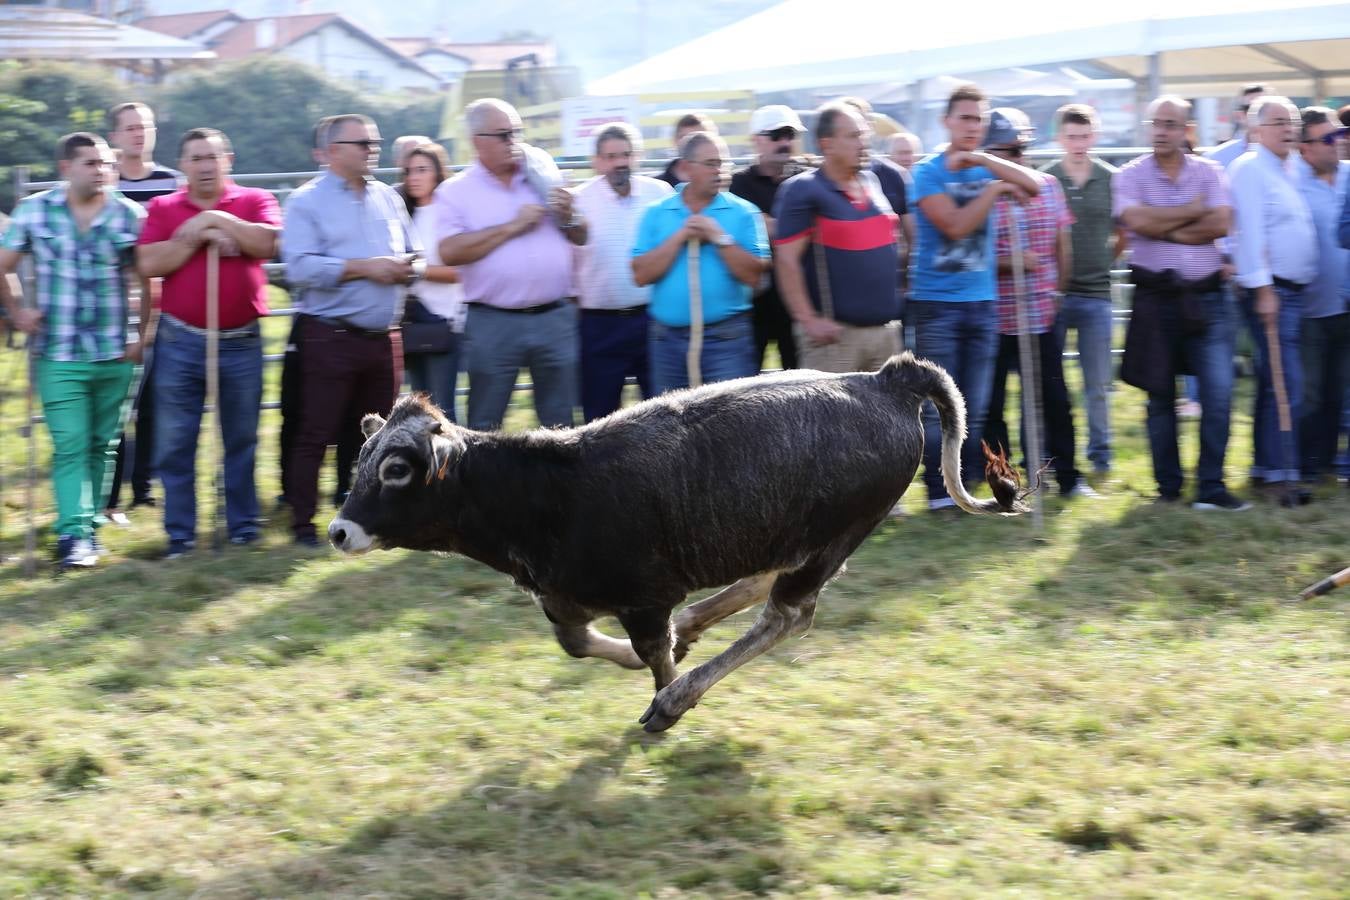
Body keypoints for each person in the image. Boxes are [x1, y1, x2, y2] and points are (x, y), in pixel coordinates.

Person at [0, 133, 145, 569]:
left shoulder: (129, 215)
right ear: (66, 168)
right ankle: (73, 535)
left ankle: (89, 527)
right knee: (70, 445)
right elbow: (3, 265)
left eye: (104, 163)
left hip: (114, 351)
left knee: (103, 445)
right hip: (59, 353)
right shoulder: (35, 211)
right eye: (90, 163)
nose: (101, 170)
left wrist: (143, 333)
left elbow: (147, 277)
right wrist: (17, 312)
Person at [136, 127, 280, 557]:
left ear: (228, 160)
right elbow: (147, 262)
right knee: (176, 441)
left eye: (212, 157)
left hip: (241, 342)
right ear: (183, 164)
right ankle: (180, 535)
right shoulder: (163, 207)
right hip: (180, 340)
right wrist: (196, 236)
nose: (204, 165)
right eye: (196, 158)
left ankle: (242, 526)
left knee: (240, 439)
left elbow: (268, 242)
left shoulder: (254, 200)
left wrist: (214, 218)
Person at [282, 113, 419, 547]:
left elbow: (414, 252)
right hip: (330, 335)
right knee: (315, 432)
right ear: (333, 150)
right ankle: (302, 523)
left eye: (375, 142)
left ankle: (359, 518)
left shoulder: (387, 197)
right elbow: (300, 268)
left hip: (382, 338)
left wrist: (409, 269)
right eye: (362, 143)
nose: (372, 149)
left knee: (372, 437)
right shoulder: (306, 201)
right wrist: (366, 270)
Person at [909, 84, 1042, 512]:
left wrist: (986, 160)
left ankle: (965, 490)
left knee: (976, 409)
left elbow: (1035, 186)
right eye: (965, 118)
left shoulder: (986, 167)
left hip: (982, 304)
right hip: (938, 305)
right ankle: (938, 495)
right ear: (946, 121)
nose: (972, 126)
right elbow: (954, 226)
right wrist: (995, 189)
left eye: (979, 119)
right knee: (940, 410)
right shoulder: (928, 172)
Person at [1114, 96, 1247, 510]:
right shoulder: (1130, 175)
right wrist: (1190, 211)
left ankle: (1211, 486)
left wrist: (1161, 228)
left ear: (1186, 130)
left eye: (1171, 124)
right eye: (1156, 123)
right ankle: (1168, 489)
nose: (1161, 131)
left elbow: (1221, 222)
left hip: (1208, 297)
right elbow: (1135, 222)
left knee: (1219, 394)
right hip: (1156, 298)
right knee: (1159, 397)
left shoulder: (1210, 171)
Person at [436, 98, 586, 431]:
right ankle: (486, 484)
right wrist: (511, 227)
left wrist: (571, 215)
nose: (513, 142)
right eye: (503, 134)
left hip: (554, 317)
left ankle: (557, 484)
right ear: (477, 141)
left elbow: (581, 235)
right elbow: (450, 252)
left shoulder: (542, 173)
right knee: (485, 425)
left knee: (561, 424)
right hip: (493, 322)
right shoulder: (456, 192)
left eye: (517, 132)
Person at [981, 108, 1095, 498]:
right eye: (1005, 150)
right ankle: (1003, 482)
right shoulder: (979, 191)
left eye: (1019, 149)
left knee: (1054, 400)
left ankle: (1067, 477)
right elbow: (971, 255)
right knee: (992, 406)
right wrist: (1009, 265)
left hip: (1041, 315)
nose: (1014, 158)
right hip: (994, 319)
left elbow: (1062, 245)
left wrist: (1058, 293)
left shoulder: (1048, 185)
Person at [632, 131, 769, 394]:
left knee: (731, 425)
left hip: (727, 340)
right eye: (710, 163)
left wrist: (719, 237)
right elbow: (640, 276)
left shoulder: (744, 212)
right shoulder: (656, 213)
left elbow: (754, 276)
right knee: (669, 428)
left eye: (722, 163)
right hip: (667, 342)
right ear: (685, 168)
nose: (719, 170)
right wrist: (680, 237)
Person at [1230, 96, 1318, 502]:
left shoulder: (1289, 167)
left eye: (1293, 121)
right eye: (1279, 121)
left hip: (1294, 292)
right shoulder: (1250, 169)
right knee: (1287, 384)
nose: (1289, 128)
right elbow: (1249, 233)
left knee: (1277, 383)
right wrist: (1263, 289)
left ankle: (1269, 467)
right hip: (1273, 291)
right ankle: (1281, 473)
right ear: (1257, 129)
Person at [772, 103, 901, 373]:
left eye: (864, 135)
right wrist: (807, 319)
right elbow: (786, 260)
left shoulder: (872, 182)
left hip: (885, 334)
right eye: (854, 136)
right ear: (827, 144)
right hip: (837, 340)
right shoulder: (803, 189)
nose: (863, 143)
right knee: (831, 417)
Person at [106, 101, 181, 520]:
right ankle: (110, 494)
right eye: (130, 128)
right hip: (114, 313)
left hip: (165, 313)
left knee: (154, 406)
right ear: (116, 136)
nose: (138, 134)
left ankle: (144, 489)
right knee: (117, 409)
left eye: (145, 127)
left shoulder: (171, 183)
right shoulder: (106, 183)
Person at [1041, 103, 1123, 479]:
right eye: (1071, 136)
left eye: (1084, 136)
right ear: (1060, 137)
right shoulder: (1046, 178)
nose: (1078, 143)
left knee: (1098, 383)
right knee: (1051, 383)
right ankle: (1048, 452)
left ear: (1095, 136)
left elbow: (1123, 230)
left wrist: (1105, 260)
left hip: (1096, 293)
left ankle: (1101, 454)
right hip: (1053, 294)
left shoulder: (1110, 177)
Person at [573, 122, 672, 421]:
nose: (620, 162)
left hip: (652, 319)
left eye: (626, 154)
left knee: (663, 413)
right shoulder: (578, 200)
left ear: (636, 156)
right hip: (598, 325)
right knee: (600, 419)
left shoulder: (659, 193)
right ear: (597, 162)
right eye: (611, 156)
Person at [729, 104, 807, 371]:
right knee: (747, 392)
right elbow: (750, 229)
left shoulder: (807, 178)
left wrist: (769, 224)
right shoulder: (738, 184)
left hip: (799, 303)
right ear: (756, 141)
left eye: (790, 135)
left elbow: (771, 229)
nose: (785, 142)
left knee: (801, 390)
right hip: (755, 304)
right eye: (776, 135)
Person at [1297, 107, 1350, 483]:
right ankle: (1307, 465)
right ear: (1305, 148)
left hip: (1346, 306)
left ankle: (1330, 462)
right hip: (1309, 309)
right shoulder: (1293, 185)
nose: (1338, 142)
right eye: (1328, 138)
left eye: (1338, 135)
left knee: (1338, 393)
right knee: (1311, 395)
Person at [400, 142, 464, 418]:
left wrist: (417, 270)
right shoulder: (403, 213)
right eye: (409, 171)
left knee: (443, 409)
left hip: (443, 321)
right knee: (418, 409)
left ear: (438, 173)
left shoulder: (449, 215)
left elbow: (460, 272)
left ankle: (453, 463)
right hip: (410, 321)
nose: (413, 177)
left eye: (422, 170)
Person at [1207, 84, 1267, 169]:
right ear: (1239, 115)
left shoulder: (1290, 155)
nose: (1258, 114)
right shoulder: (1216, 158)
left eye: (1265, 108)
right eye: (1250, 108)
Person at [656, 113, 715, 188]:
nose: (689, 143)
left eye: (697, 138)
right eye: (683, 137)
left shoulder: (729, 184)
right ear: (674, 141)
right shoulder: (657, 187)